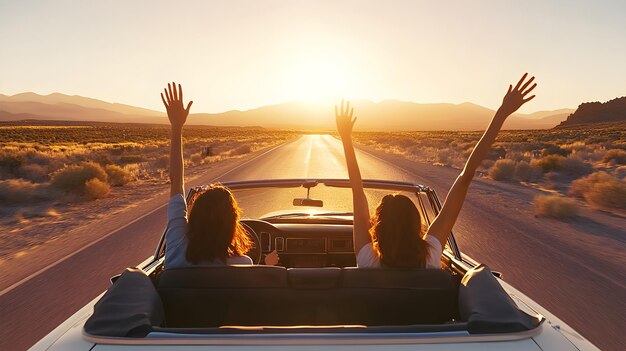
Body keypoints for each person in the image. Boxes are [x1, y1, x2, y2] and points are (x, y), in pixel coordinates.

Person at [336, 74, 537, 268]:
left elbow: (357, 191)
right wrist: (502, 113)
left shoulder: (368, 261)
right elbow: (465, 177)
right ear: (416, 226)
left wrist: (345, 137)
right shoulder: (429, 257)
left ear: (378, 230)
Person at [161, 82, 278, 268]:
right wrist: (267, 266)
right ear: (232, 226)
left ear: (195, 219)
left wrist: (176, 126)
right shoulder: (243, 265)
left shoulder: (176, 250)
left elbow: (176, 182)